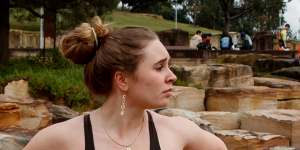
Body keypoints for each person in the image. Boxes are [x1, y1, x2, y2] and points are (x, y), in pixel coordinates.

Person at [23, 16, 227, 150]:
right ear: (122, 79)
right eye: (159, 67)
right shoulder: (62, 139)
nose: (172, 76)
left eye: (169, 66)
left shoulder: (178, 132)